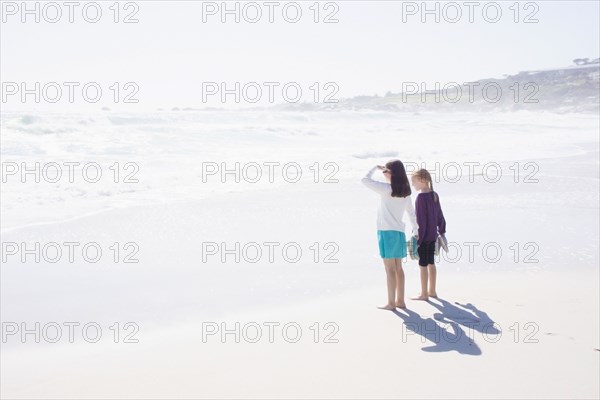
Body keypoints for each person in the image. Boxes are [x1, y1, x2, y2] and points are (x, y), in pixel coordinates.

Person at [362, 160, 417, 310]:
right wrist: (416, 230)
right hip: (399, 232)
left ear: (391, 173)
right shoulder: (405, 193)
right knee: (398, 268)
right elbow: (412, 214)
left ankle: (391, 303)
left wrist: (374, 167)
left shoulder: (386, 189)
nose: (383, 173)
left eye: (385, 171)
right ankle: (400, 301)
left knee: (389, 269)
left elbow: (365, 180)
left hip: (386, 233)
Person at [410, 168, 446, 300]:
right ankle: (432, 291)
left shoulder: (420, 198)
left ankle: (424, 294)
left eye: (414, 181)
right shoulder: (434, 195)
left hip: (424, 238)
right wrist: (441, 231)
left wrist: (419, 238)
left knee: (422, 266)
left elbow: (420, 221)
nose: (412, 184)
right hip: (433, 236)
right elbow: (440, 216)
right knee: (431, 263)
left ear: (422, 180)